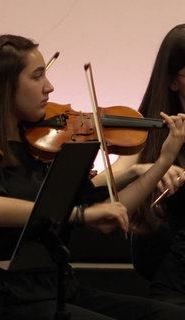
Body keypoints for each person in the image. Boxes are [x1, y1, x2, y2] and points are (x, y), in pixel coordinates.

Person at [0, 34, 185, 319]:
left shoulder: (42, 151)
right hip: (5, 299)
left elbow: (107, 218)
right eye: (37, 77)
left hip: (59, 289)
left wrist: (164, 160)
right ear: (5, 86)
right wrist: (78, 215)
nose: (49, 86)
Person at [93, 24, 185, 306]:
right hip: (179, 281)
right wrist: (140, 170)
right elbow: (94, 185)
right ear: (173, 82)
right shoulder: (154, 133)